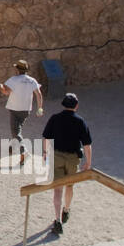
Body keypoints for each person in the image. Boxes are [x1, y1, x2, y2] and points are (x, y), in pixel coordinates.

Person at [41, 93, 92, 234]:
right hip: (73, 158)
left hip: (56, 156)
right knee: (69, 186)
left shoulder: (55, 118)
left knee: (57, 189)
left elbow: (46, 138)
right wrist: (88, 162)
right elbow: (87, 145)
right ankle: (66, 210)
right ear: (76, 105)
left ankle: (57, 220)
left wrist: (45, 153)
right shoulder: (80, 121)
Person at [0, 59, 43, 165]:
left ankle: (24, 152)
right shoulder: (32, 80)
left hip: (14, 109)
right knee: (17, 129)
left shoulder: (13, 80)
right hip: (26, 110)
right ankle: (12, 146)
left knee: (16, 132)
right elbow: (39, 95)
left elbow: (6, 92)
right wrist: (40, 109)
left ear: (17, 70)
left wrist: (0, 88)